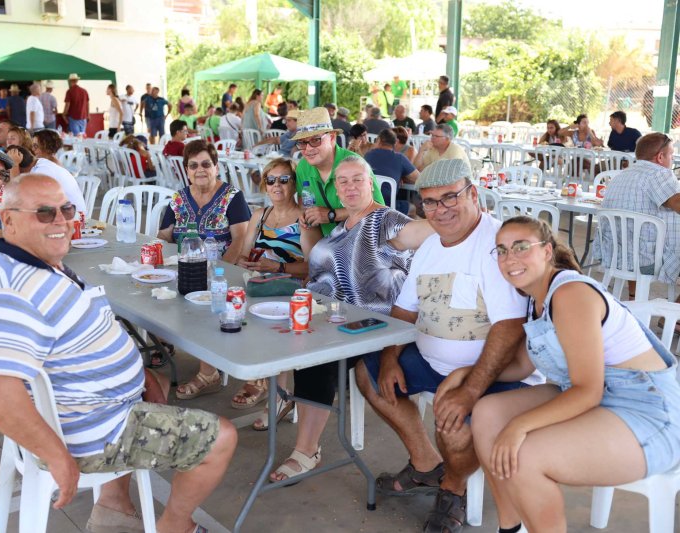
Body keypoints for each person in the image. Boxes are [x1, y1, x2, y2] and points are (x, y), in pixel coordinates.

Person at [0, 173, 237, 533]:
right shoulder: (10, 294)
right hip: (93, 433)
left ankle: (113, 505)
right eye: (44, 213)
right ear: (9, 220)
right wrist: (56, 456)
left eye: (66, 209)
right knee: (221, 438)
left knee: (156, 380)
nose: (61, 221)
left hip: (94, 407)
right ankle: (176, 526)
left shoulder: (35, 262)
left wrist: (139, 376)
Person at [353, 159, 538, 533]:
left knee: (454, 426)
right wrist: (390, 358)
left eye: (450, 197)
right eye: (430, 203)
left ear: (473, 194)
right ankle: (426, 465)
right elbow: (403, 311)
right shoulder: (431, 247)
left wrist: (469, 391)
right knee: (368, 374)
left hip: (493, 374)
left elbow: (510, 329)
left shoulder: (496, 244)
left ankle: (453, 489)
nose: (441, 210)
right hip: (432, 363)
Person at [470, 216, 680, 532]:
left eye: (521, 247)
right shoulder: (536, 299)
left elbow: (588, 390)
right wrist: (466, 377)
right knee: (486, 412)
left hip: (645, 412)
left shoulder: (570, 294)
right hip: (595, 399)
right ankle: (510, 526)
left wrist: (518, 426)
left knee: (525, 454)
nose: (509, 258)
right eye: (501, 250)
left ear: (546, 251)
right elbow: (522, 367)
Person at [269, 155, 435, 482]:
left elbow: (425, 231)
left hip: (375, 325)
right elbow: (315, 258)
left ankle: (306, 449)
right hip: (333, 316)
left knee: (315, 354)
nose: (349, 186)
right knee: (286, 332)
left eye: (357, 179)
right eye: (342, 182)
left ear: (370, 182)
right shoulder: (341, 227)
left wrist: (465, 219)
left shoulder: (385, 221)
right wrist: (307, 230)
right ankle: (280, 401)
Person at [158, 141, 250, 399]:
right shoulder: (178, 199)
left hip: (222, 273)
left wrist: (218, 272)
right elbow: (164, 236)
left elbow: (240, 239)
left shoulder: (232, 197)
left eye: (206, 164)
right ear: (186, 170)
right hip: (183, 271)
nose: (200, 170)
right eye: (193, 165)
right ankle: (161, 342)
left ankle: (208, 372)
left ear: (216, 167)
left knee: (209, 297)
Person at [231, 158, 307, 422]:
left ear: (294, 184)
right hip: (260, 285)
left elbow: (311, 268)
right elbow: (242, 256)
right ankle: (260, 379)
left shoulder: (304, 219)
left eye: (284, 179)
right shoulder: (258, 216)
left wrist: (276, 267)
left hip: (292, 288)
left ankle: (279, 395)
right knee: (229, 309)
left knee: (274, 325)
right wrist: (249, 262)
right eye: (272, 180)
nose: (277, 185)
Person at [594, 132, 680, 295]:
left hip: (616, 256)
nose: (672, 160)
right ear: (660, 157)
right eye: (671, 156)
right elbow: (676, 202)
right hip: (646, 260)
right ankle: (676, 317)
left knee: (637, 237)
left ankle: (634, 298)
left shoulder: (621, 175)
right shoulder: (659, 173)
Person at [292, 107, 385, 238]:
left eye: (315, 140)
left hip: (360, 240)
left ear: (331, 138)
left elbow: (379, 209)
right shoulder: (303, 166)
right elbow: (303, 204)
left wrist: (331, 215)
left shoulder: (354, 163)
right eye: (302, 142)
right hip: (323, 243)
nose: (308, 149)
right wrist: (305, 215)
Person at [30, 129, 87, 214]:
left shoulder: (46, 167)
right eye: (33, 146)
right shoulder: (50, 162)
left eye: (36, 146)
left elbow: (34, 194)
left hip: (73, 218)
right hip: (73, 213)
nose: (32, 149)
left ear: (46, 146)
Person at [364, 128, 418, 214]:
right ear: (395, 142)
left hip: (366, 205)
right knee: (413, 208)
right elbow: (418, 178)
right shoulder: (400, 158)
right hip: (389, 206)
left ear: (379, 140)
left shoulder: (368, 155)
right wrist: (401, 175)